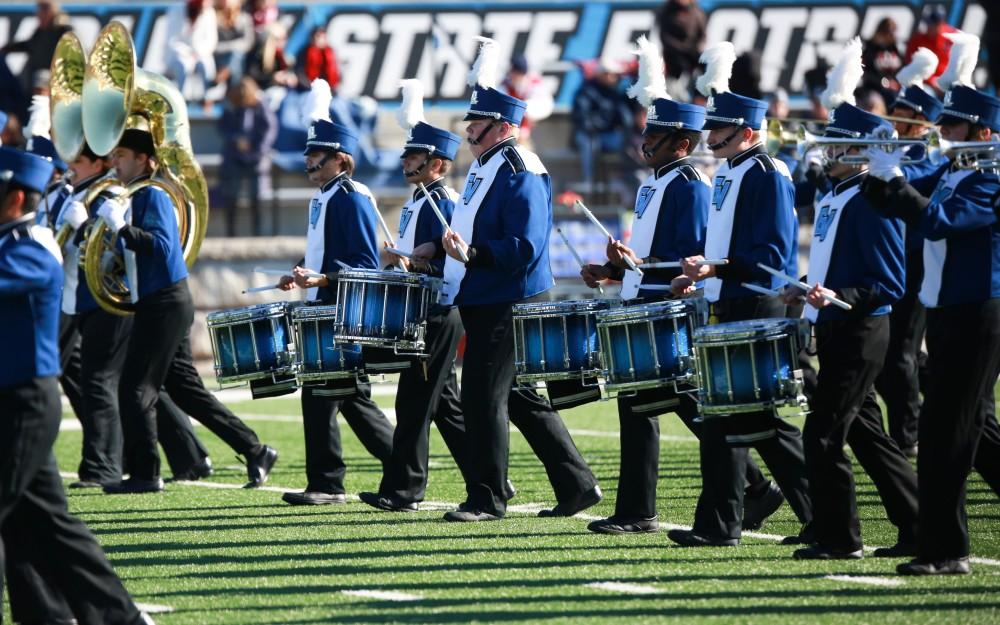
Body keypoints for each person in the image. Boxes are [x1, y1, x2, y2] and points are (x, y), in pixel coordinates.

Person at [579, 37, 783, 535]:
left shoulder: (691, 184)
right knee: (660, 403)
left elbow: (690, 254)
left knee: (687, 403)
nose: (645, 141)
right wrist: (613, 271)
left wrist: (642, 267)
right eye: (648, 132)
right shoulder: (655, 182)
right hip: (645, 303)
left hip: (670, 310)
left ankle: (654, 507)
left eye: (658, 136)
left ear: (682, 143)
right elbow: (652, 254)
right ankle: (746, 488)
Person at [414, 38, 599, 522]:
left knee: (482, 395)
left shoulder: (520, 168)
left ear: (501, 127)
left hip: (508, 298)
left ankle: (487, 497)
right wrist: (443, 248)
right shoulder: (486, 165)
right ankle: (577, 483)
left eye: (476, 124)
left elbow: (524, 245)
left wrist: (472, 253)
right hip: (488, 294)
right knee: (517, 396)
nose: (469, 131)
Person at [0, 145, 156, 625]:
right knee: (42, 523)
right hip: (8, 403)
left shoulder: (32, 248)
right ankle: (96, 616)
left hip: (25, 399)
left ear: (17, 199)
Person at [862, 37, 1000, 576]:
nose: (944, 133)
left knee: (947, 435)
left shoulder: (988, 181)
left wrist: (894, 179)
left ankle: (946, 550)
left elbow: (937, 221)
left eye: (956, 127)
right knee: (973, 429)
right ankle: (943, 545)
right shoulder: (954, 171)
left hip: (979, 312)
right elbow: (897, 199)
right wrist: (876, 168)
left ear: (983, 133)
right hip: (946, 312)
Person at [670, 41, 813, 547]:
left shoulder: (767, 173)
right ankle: (729, 523)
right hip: (727, 300)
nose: (709, 137)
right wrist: (701, 276)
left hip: (755, 304)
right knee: (735, 418)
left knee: (747, 420)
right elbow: (727, 248)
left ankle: (732, 523)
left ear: (748, 133)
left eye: (720, 130)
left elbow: (772, 254)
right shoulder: (730, 172)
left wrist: (717, 268)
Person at [780, 41, 919, 560]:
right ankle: (916, 523)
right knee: (867, 437)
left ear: (860, 151)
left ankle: (840, 538)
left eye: (836, 145)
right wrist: (804, 286)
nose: (826, 152)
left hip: (863, 329)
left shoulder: (871, 200)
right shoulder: (834, 195)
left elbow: (889, 281)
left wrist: (837, 295)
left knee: (821, 434)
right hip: (836, 324)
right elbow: (834, 267)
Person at [99, 124, 277, 494]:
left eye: (122, 156)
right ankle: (255, 449)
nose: (114, 162)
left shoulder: (153, 194)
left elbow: (164, 248)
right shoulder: (137, 195)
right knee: (184, 390)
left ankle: (146, 473)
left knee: (135, 389)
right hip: (161, 299)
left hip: (163, 301)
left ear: (144, 160)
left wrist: (120, 228)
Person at [275, 78, 395, 505]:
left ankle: (336, 481)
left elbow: (365, 264)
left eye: (316, 155)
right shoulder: (324, 196)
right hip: (323, 308)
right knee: (338, 396)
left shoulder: (351, 195)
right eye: (308, 153)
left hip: (341, 311)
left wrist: (323, 280)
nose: (308, 161)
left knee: (332, 395)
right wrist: (302, 277)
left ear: (340, 159)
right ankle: (391, 468)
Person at [359, 80, 474, 512]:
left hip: (439, 312)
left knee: (412, 404)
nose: (406, 160)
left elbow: (454, 263)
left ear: (438, 164)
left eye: (415, 156)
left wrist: (420, 260)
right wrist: (400, 259)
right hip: (422, 311)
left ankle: (403, 490)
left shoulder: (444, 202)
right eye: (407, 154)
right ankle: (490, 477)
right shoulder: (417, 200)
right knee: (446, 407)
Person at [871, 48, 943, 456]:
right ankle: (939, 393)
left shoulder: (929, 153)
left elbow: (913, 180)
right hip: (892, 259)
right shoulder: (898, 150)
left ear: (924, 122)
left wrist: (886, 163)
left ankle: (908, 435)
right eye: (897, 110)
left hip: (918, 260)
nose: (896, 118)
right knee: (897, 351)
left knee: (899, 349)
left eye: (906, 115)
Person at [217, 76, 277, 236]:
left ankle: (258, 233)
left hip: (256, 155)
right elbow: (223, 127)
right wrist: (237, 140)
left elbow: (269, 130)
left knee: (256, 195)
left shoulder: (261, 106)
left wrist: (256, 148)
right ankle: (231, 233)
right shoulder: (231, 105)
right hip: (234, 155)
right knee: (230, 192)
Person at [570, 60, 633, 192]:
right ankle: (589, 181)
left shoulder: (615, 93)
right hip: (588, 134)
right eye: (609, 74)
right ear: (600, 74)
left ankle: (625, 179)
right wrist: (597, 124)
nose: (613, 77)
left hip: (609, 135)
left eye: (615, 75)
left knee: (629, 140)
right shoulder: (586, 90)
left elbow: (625, 119)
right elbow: (581, 117)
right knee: (589, 141)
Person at [0, 1, 71, 116]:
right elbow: (28, 45)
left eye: (42, 10)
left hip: (54, 90)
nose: (38, 15)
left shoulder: (65, 32)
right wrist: (5, 49)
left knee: (42, 76)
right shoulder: (41, 33)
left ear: (51, 11)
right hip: (32, 93)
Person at [500, 56, 554, 148]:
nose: (513, 75)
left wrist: (527, 121)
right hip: (507, 129)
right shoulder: (506, 84)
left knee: (523, 146)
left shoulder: (534, 84)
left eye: (516, 73)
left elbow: (543, 106)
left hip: (523, 128)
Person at [656, 0, 706, 97]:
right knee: (679, 70)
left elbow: (702, 35)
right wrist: (684, 50)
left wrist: (697, 49)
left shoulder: (696, 11)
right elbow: (665, 38)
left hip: (693, 53)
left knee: (707, 66)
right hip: (674, 55)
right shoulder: (666, 11)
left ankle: (700, 99)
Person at [861, 17, 903, 102]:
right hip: (874, 89)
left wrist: (896, 82)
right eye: (888, 32)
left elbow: (902, 69)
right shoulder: (869, 50)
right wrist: (884, 82)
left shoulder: (895, 50)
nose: (890, 36)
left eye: (893, 32)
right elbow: (866, 73)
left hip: (895, 90)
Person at [297, 27, 341, 94]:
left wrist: (330, 88)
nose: (317, 39)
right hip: (307, 90)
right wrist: (312, 87)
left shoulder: (330, 53)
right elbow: (300, 73)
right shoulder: (304, 52)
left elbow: (337, 74)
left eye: (320, 36)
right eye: (315, 36)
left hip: (329, 91)